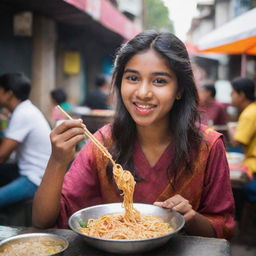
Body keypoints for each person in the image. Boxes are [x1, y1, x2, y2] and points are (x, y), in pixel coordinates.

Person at [33, 30, 235, 239]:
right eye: (132, 78)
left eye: (159, 81)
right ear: (120, 83)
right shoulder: (103, 143)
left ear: (179, 90)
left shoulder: (208, 147)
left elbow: (222, 230)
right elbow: (43, 220)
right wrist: (57, 161)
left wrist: (190, 216)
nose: (142, 92)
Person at [0, 72, 51, 208]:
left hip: (34, 179)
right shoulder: (24, 110)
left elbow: (2, 156)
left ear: (9, 93)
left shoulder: (23, 113)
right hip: (28, 170)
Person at [228, 77, 256, 201]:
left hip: (253, 166)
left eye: (233, 92)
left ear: (242, 95)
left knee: (230, 186)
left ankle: (238, 219)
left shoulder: (249, 113)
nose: (231, 95)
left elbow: (235, 142)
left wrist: (230, 127)